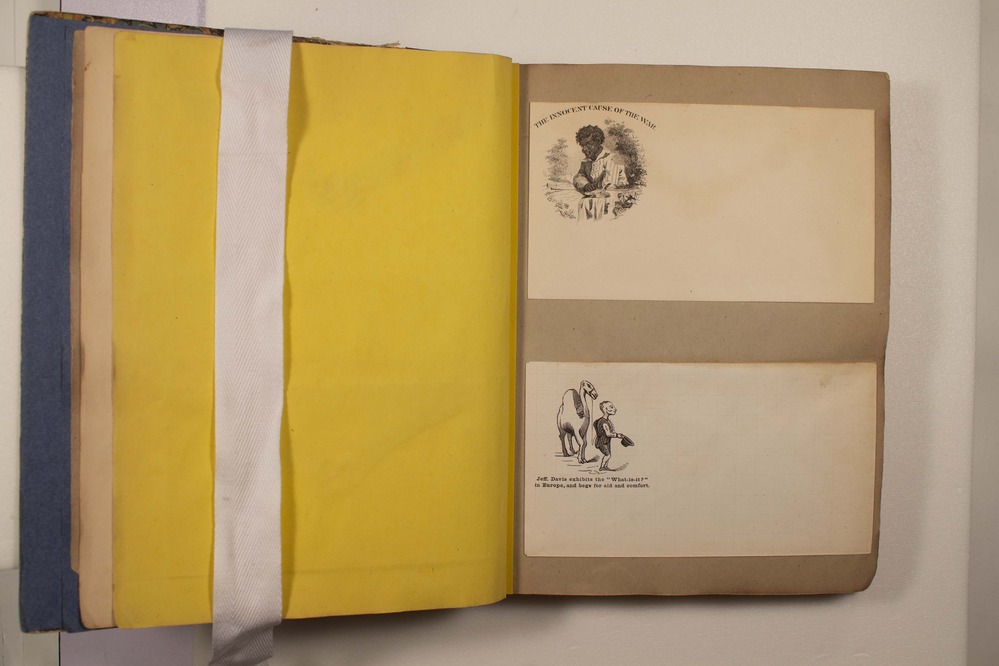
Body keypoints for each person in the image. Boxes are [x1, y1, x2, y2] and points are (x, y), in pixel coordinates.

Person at [572, 125, 628, 195]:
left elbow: (610, 186)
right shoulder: (586, 162)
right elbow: (579, 176)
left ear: (597, 142)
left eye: (587, 144)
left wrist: (594, 187)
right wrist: (585, 184)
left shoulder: (612, 159)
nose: (584, 149)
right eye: (582, 146)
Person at [592, 401, 625, 472]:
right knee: (608, 455)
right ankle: (602, 467)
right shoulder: (603, 422)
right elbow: (608, 434)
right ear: (605, 409)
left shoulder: (606, 420)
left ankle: (605, 466)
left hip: (606, 441)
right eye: (611, 407)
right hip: (602, 442)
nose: (615, 409)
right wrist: (617, 435)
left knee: (609, 454)